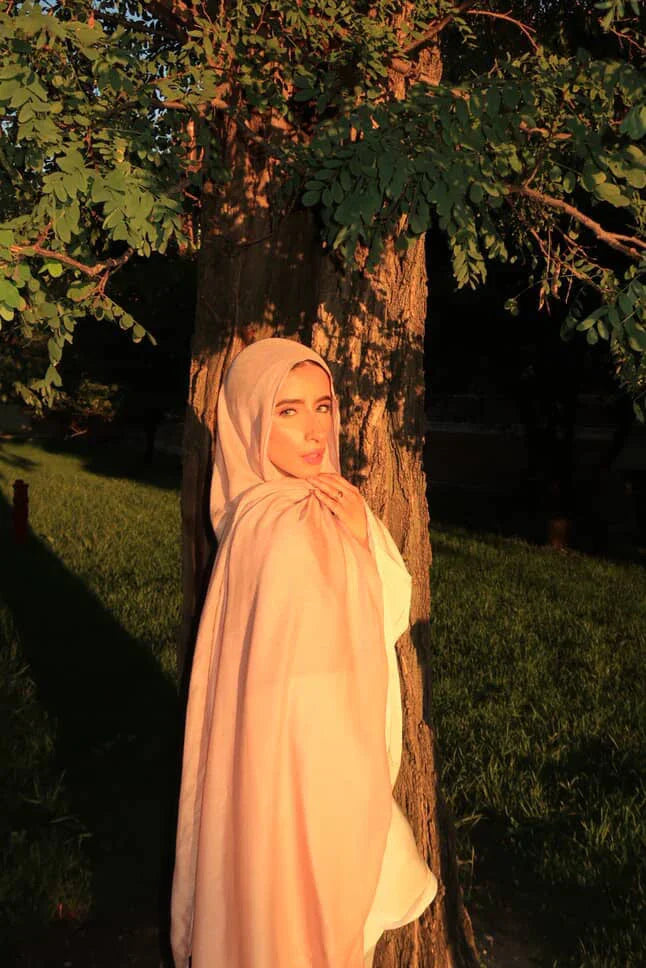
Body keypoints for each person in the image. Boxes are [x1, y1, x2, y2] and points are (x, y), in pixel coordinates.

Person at [170, 337, 437, 968]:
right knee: (275, 900)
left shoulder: (337, 502)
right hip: (278, 752)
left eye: (322, 407)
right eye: (288, 411)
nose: (314, 430)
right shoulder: (262, 522)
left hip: (336, 748)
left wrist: (355, 534)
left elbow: (390, 614)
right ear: (250, 420)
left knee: (323, 902)